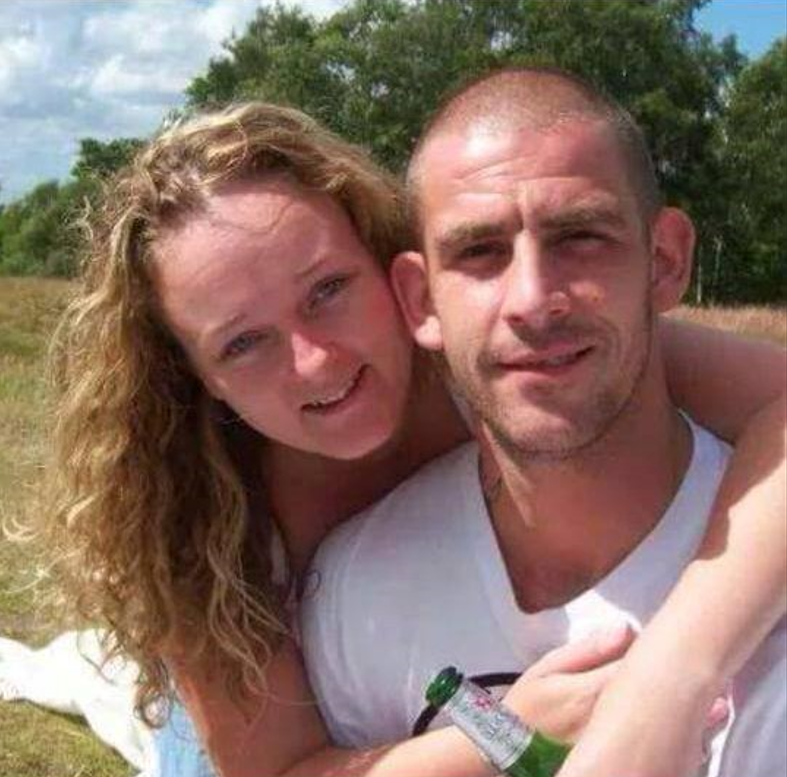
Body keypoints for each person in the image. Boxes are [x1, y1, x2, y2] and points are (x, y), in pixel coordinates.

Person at [41, 98, 785, 777]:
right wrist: (508, 730)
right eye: (243, 343)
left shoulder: (498, 348)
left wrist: (671, 675)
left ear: (392, 270)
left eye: (328, 289)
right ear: (194, 375)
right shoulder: (202, 522)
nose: (314, 361)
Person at [301, 66, 786, 777]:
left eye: (579, 235)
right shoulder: (356, 594)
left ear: (664, 261)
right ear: (420, 300)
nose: (533, 298)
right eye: (478, 251)